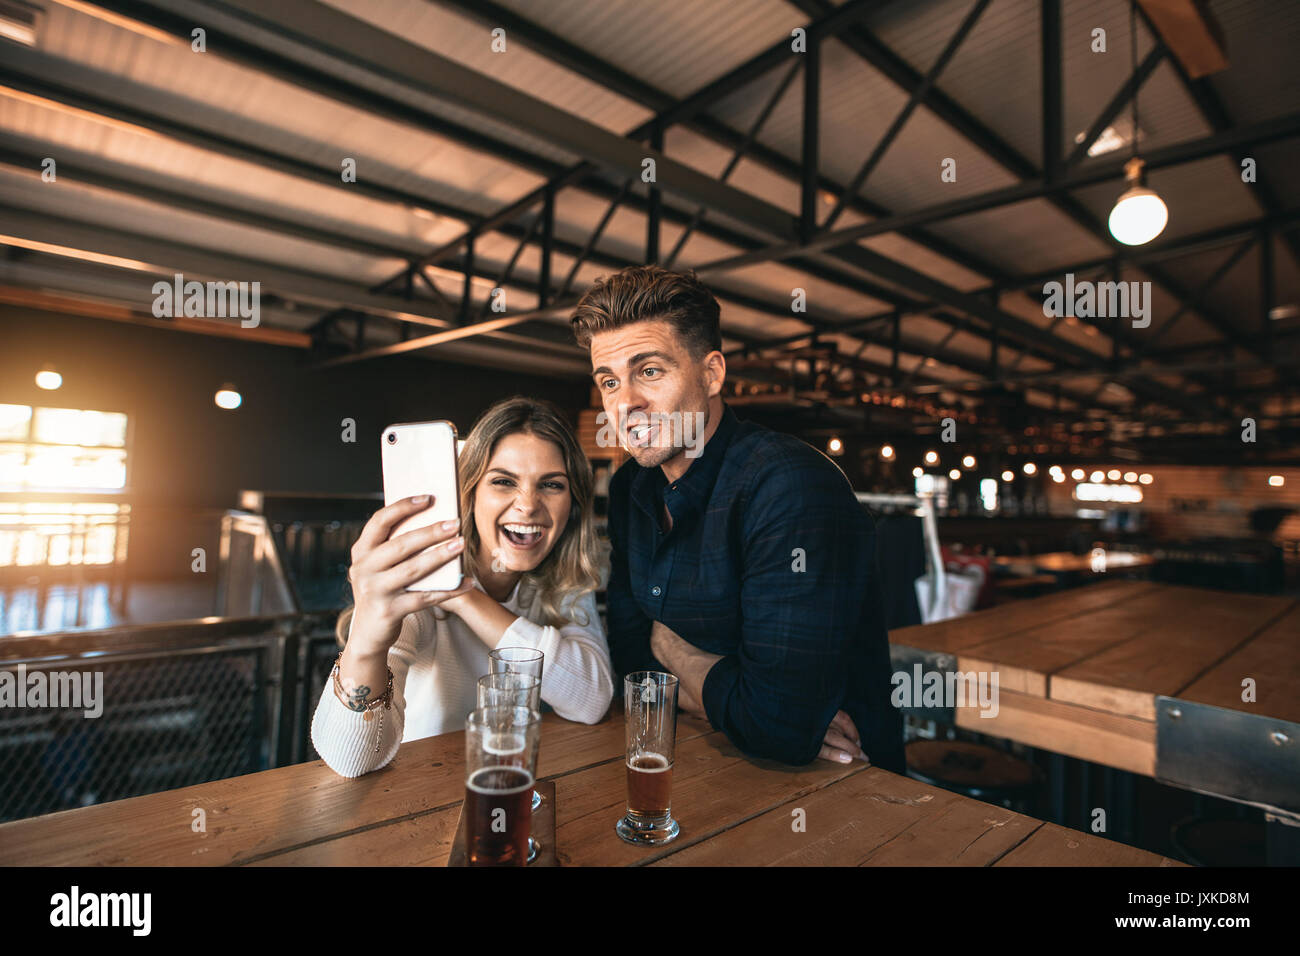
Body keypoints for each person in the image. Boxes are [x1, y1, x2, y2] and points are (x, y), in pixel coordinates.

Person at [572, 265, 905, 773]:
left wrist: (672, 650)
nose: (626, 404)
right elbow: (628, 660)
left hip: (844, 792)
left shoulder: (788, 485)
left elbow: (779, 723)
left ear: (711, 374)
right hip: (696, 766)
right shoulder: (630, 489)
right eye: (610, 381)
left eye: (650, 371)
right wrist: (737, 701)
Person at [312, 397, 614, 778]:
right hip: (415, 804)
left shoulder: (563, 580)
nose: (528, 505)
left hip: (508, 793)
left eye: (551, 485)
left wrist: (463, 595)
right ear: (468, 495)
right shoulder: (416, 593)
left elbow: (591, 699)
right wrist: (366, 643)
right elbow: (350, 759)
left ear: (572, 504)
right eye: (504, 481)